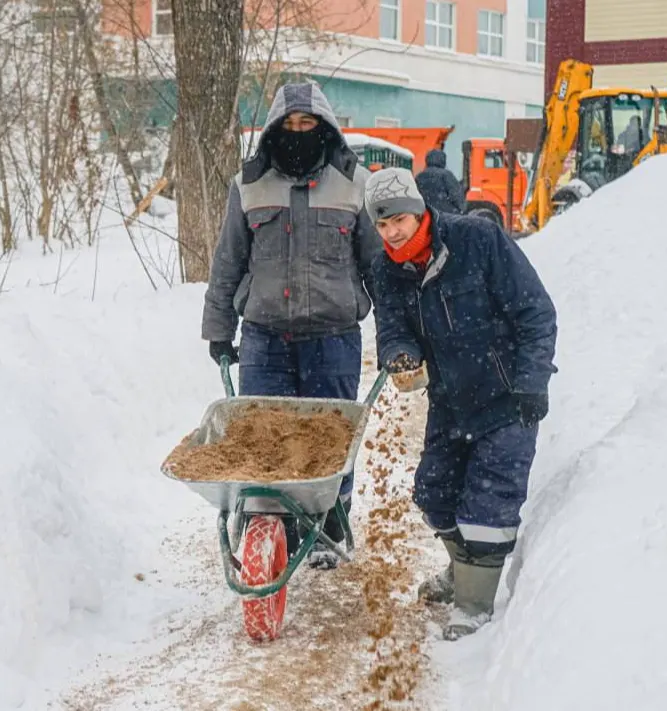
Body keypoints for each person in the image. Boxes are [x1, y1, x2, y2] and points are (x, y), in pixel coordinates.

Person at [364, 167, 557, 640]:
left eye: (400, 220)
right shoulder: (384, 270)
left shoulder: (478, 240)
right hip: (450, 398)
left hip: (507, 394)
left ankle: (473, 605)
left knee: (489, 501)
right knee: (434, 491)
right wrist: (398, 354)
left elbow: (535, 309)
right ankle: (461, 570)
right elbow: (392, 328)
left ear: (418, 210)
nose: (392, 232)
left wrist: (532, 381)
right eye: (382, 224)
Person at [201, 81, 383, 568]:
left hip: (333, 338)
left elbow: (379, 269)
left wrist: (396, 334)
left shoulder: (355, 186)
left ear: (326, 130)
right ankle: (269, 525)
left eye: (309, 126)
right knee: (264, 441)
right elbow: (228, 264)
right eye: (290, 126)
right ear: (273, 131)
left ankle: (329, 523)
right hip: (264, 339)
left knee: (328, 444)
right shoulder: (248, 186)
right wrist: (218, 329)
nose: (299, 133)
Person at [414, 148, 466, 215]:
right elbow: (456, 195)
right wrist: (461, 209)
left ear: (427, 159)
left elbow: (415, 195)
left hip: (426, 215)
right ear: (443, 160)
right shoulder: (447, 175)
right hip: (445, 215)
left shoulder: (419, 176)